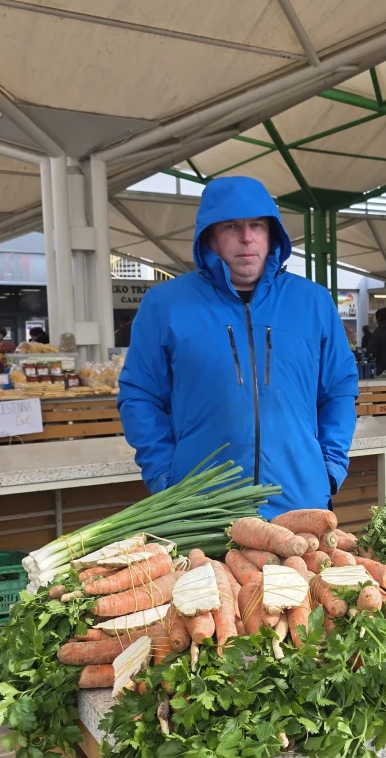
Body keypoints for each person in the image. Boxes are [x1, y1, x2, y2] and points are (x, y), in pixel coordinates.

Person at [117, 176, 358, 517]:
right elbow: (139, 395)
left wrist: (330, 468)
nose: (247, 238)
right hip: (203, 509)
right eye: (231, 226)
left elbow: (339, 389)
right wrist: (165, 477)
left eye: (257, 225)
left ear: (271, 234)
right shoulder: (166, 305)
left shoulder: (313, 302)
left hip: (301, 505)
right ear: (209, 237)